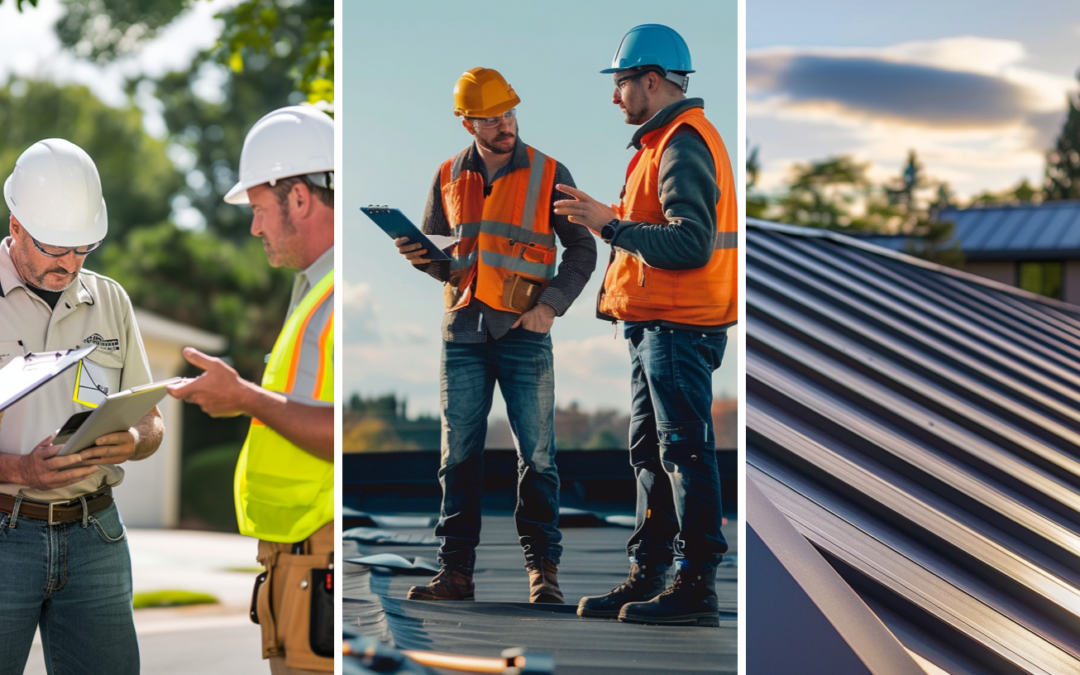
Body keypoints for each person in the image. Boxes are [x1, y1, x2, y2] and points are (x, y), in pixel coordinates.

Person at [556, 24, 737, 626]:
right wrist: (605, 220)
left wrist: (607, 225)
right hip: (657, 327)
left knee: (683, 451)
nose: (616, 96)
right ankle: (650, 575)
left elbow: (689, 244)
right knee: (652, 454)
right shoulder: (663, 143)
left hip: (679, 328)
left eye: (622, 83)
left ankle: (695, 587)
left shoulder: (683, 144)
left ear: (651, 81)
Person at [396, 67, 596, 604]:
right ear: (467, 124)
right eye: (490, 118)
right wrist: (422, 259)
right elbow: (445, 260)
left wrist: (550, 307)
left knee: (538, 455)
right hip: (462, 330)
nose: (504, 125)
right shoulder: (445, 175)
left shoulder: (551, 172)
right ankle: (455, 573)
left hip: (524, 332)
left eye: (508, 113)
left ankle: (543, 574)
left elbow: (583, 249)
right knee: (457, 455)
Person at [167, 105, 334, 675]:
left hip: (321, 553)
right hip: (299, 560)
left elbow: (340, 431)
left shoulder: (336, 292)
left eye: (260, 209)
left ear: (300, 199)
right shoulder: (314, 287)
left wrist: (243, 397)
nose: (255, 226)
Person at [0, 138, 165, 673]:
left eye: (85, 248)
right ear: (16, 225)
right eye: (56, 248)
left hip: (97, 535)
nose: (71, 264)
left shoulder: (110, 299)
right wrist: (20, 469)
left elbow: (151, 421)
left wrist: (135, 440)